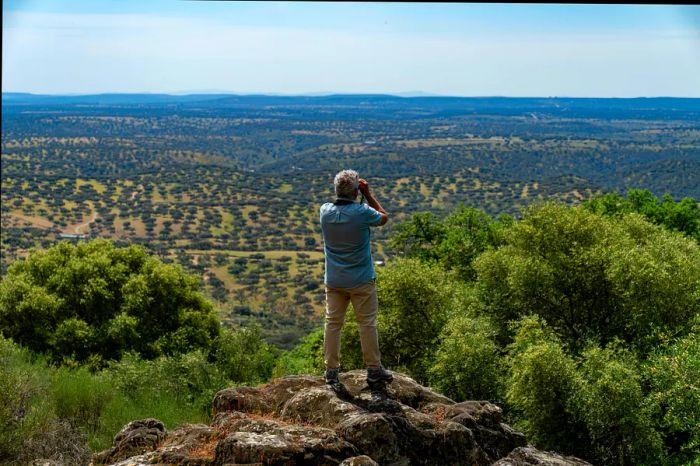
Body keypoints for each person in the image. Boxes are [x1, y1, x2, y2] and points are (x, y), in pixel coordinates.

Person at [319, 169, 393, 387]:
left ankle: (331, 371)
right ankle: (373, 370)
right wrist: (368, 194)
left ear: (336, 190)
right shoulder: (362, 212)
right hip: (361, 280)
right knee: (367, 324)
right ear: (355, 191)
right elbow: (383, 218)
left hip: (334, 281)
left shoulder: (325, 211)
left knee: (333, 323)